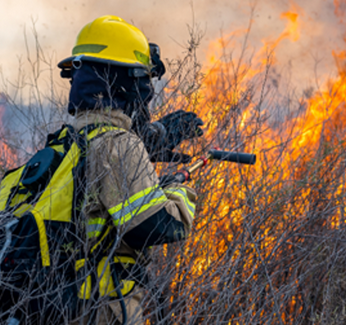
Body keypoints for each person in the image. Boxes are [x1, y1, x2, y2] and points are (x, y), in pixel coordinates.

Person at [57, 15, 203, 324]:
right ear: (126, 84)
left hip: (57, 308)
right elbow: (156, 226)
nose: (148, 94)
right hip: (100, 312)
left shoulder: (61, 144)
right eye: (144, 82)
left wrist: (156, 138)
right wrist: (180, 190)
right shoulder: (119, 146)